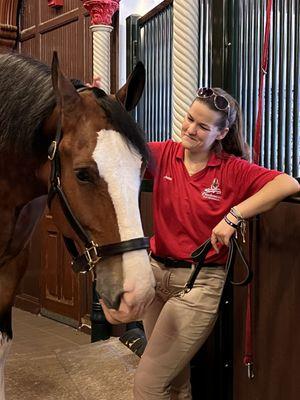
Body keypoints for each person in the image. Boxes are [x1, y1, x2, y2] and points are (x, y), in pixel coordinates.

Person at [97, 84, 299, 398]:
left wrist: (234, 216)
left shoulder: (232, 170)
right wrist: (104, 109)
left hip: (198, 284)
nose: (190, 129)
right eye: (190, 119)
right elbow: (116, 151)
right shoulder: (164, 153)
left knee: (148, 384)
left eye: (202, 126)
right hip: (156, 276)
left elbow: (287, 183)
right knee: (175, 381)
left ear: (221, 133)